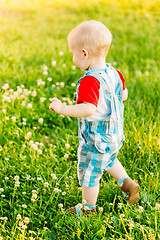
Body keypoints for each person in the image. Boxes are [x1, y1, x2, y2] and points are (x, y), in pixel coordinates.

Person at [49, 20, 140, 215]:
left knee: (90, 174)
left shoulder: (90, 81)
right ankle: (128, 184)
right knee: (109, 160)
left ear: (84, 53)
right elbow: (123, 95)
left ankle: (88, 208)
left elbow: (88, 109)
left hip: (96, 140)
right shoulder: (114, 73)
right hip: (114, 136)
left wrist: (63, 108)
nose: (73, 59)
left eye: (73, 54)